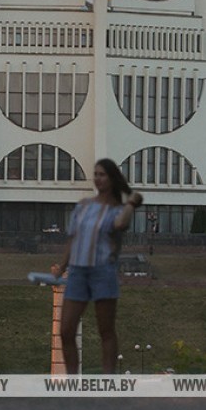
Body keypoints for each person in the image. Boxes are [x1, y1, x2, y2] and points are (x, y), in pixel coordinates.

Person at [51, 158, 142, 374]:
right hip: (78, 272)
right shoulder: (83, 206)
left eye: (103, 174)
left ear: (112, 178)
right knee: (66, 330)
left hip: (102, 271)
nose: (98, 178)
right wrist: (62, 267)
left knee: (106, 330)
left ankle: (107, 383)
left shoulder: (116, 210)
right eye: (96, 174)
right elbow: (73, 239)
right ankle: (73, 383)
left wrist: (131, 203)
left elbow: (121, 224)